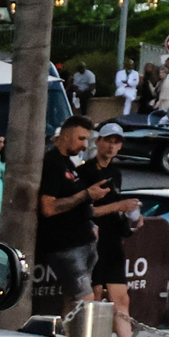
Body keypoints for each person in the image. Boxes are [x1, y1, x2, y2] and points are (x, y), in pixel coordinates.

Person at [88, 123, 160, 337]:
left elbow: (116, 209)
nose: (111, 146)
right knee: (94, 301)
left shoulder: (116, 173)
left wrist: (131, 220)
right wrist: (119, 206)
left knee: (121, 300)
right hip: (91, 243)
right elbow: (87, 211)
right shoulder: (85, 171)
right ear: (98, 141)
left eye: (117, 142)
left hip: (112, 242)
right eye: (108, 140)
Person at [38, 115, 106, 310]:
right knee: (85, 301)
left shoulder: (69, 164)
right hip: (65, 245)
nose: (84, 145)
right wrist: (86, 194)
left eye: (86, 139)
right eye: (81, 138)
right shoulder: (52, 164)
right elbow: (48, 207)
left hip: (83, 240)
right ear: (66, 136)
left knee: (72, 300)